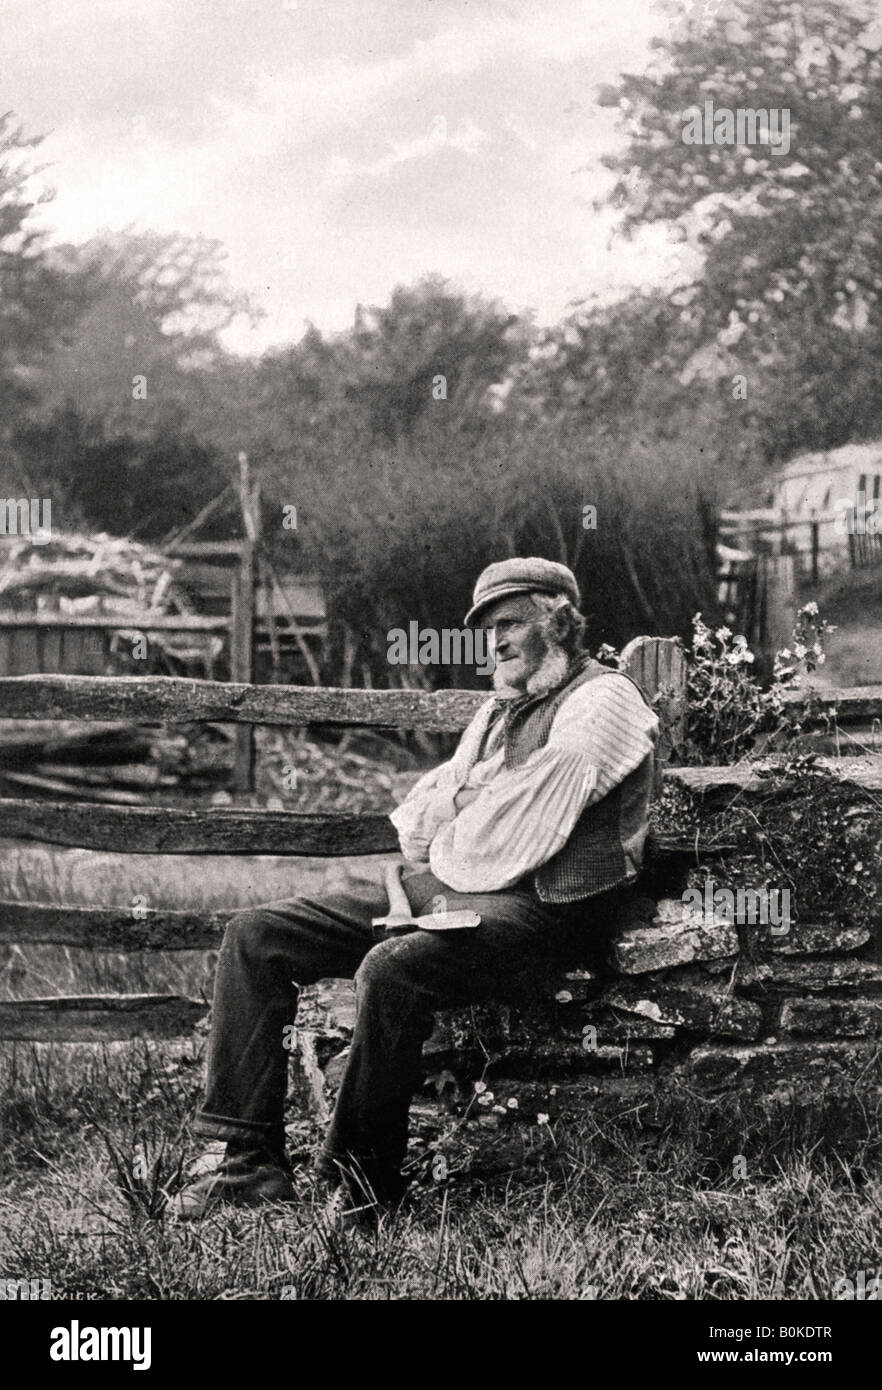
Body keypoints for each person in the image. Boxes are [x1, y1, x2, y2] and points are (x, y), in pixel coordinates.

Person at [170, 557, 659, 1221]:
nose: (497, 643)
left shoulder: (604, 701)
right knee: (257, 936)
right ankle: (247, 1158)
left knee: (395, 967)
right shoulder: (499, 712)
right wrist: (470, 807)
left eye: (511, 624)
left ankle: (361, 1187)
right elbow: (423, 823)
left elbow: (517, 833)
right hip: (455, 890)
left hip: (552, 912)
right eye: (488, 631)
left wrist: (468, 812)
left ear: (557, 620)